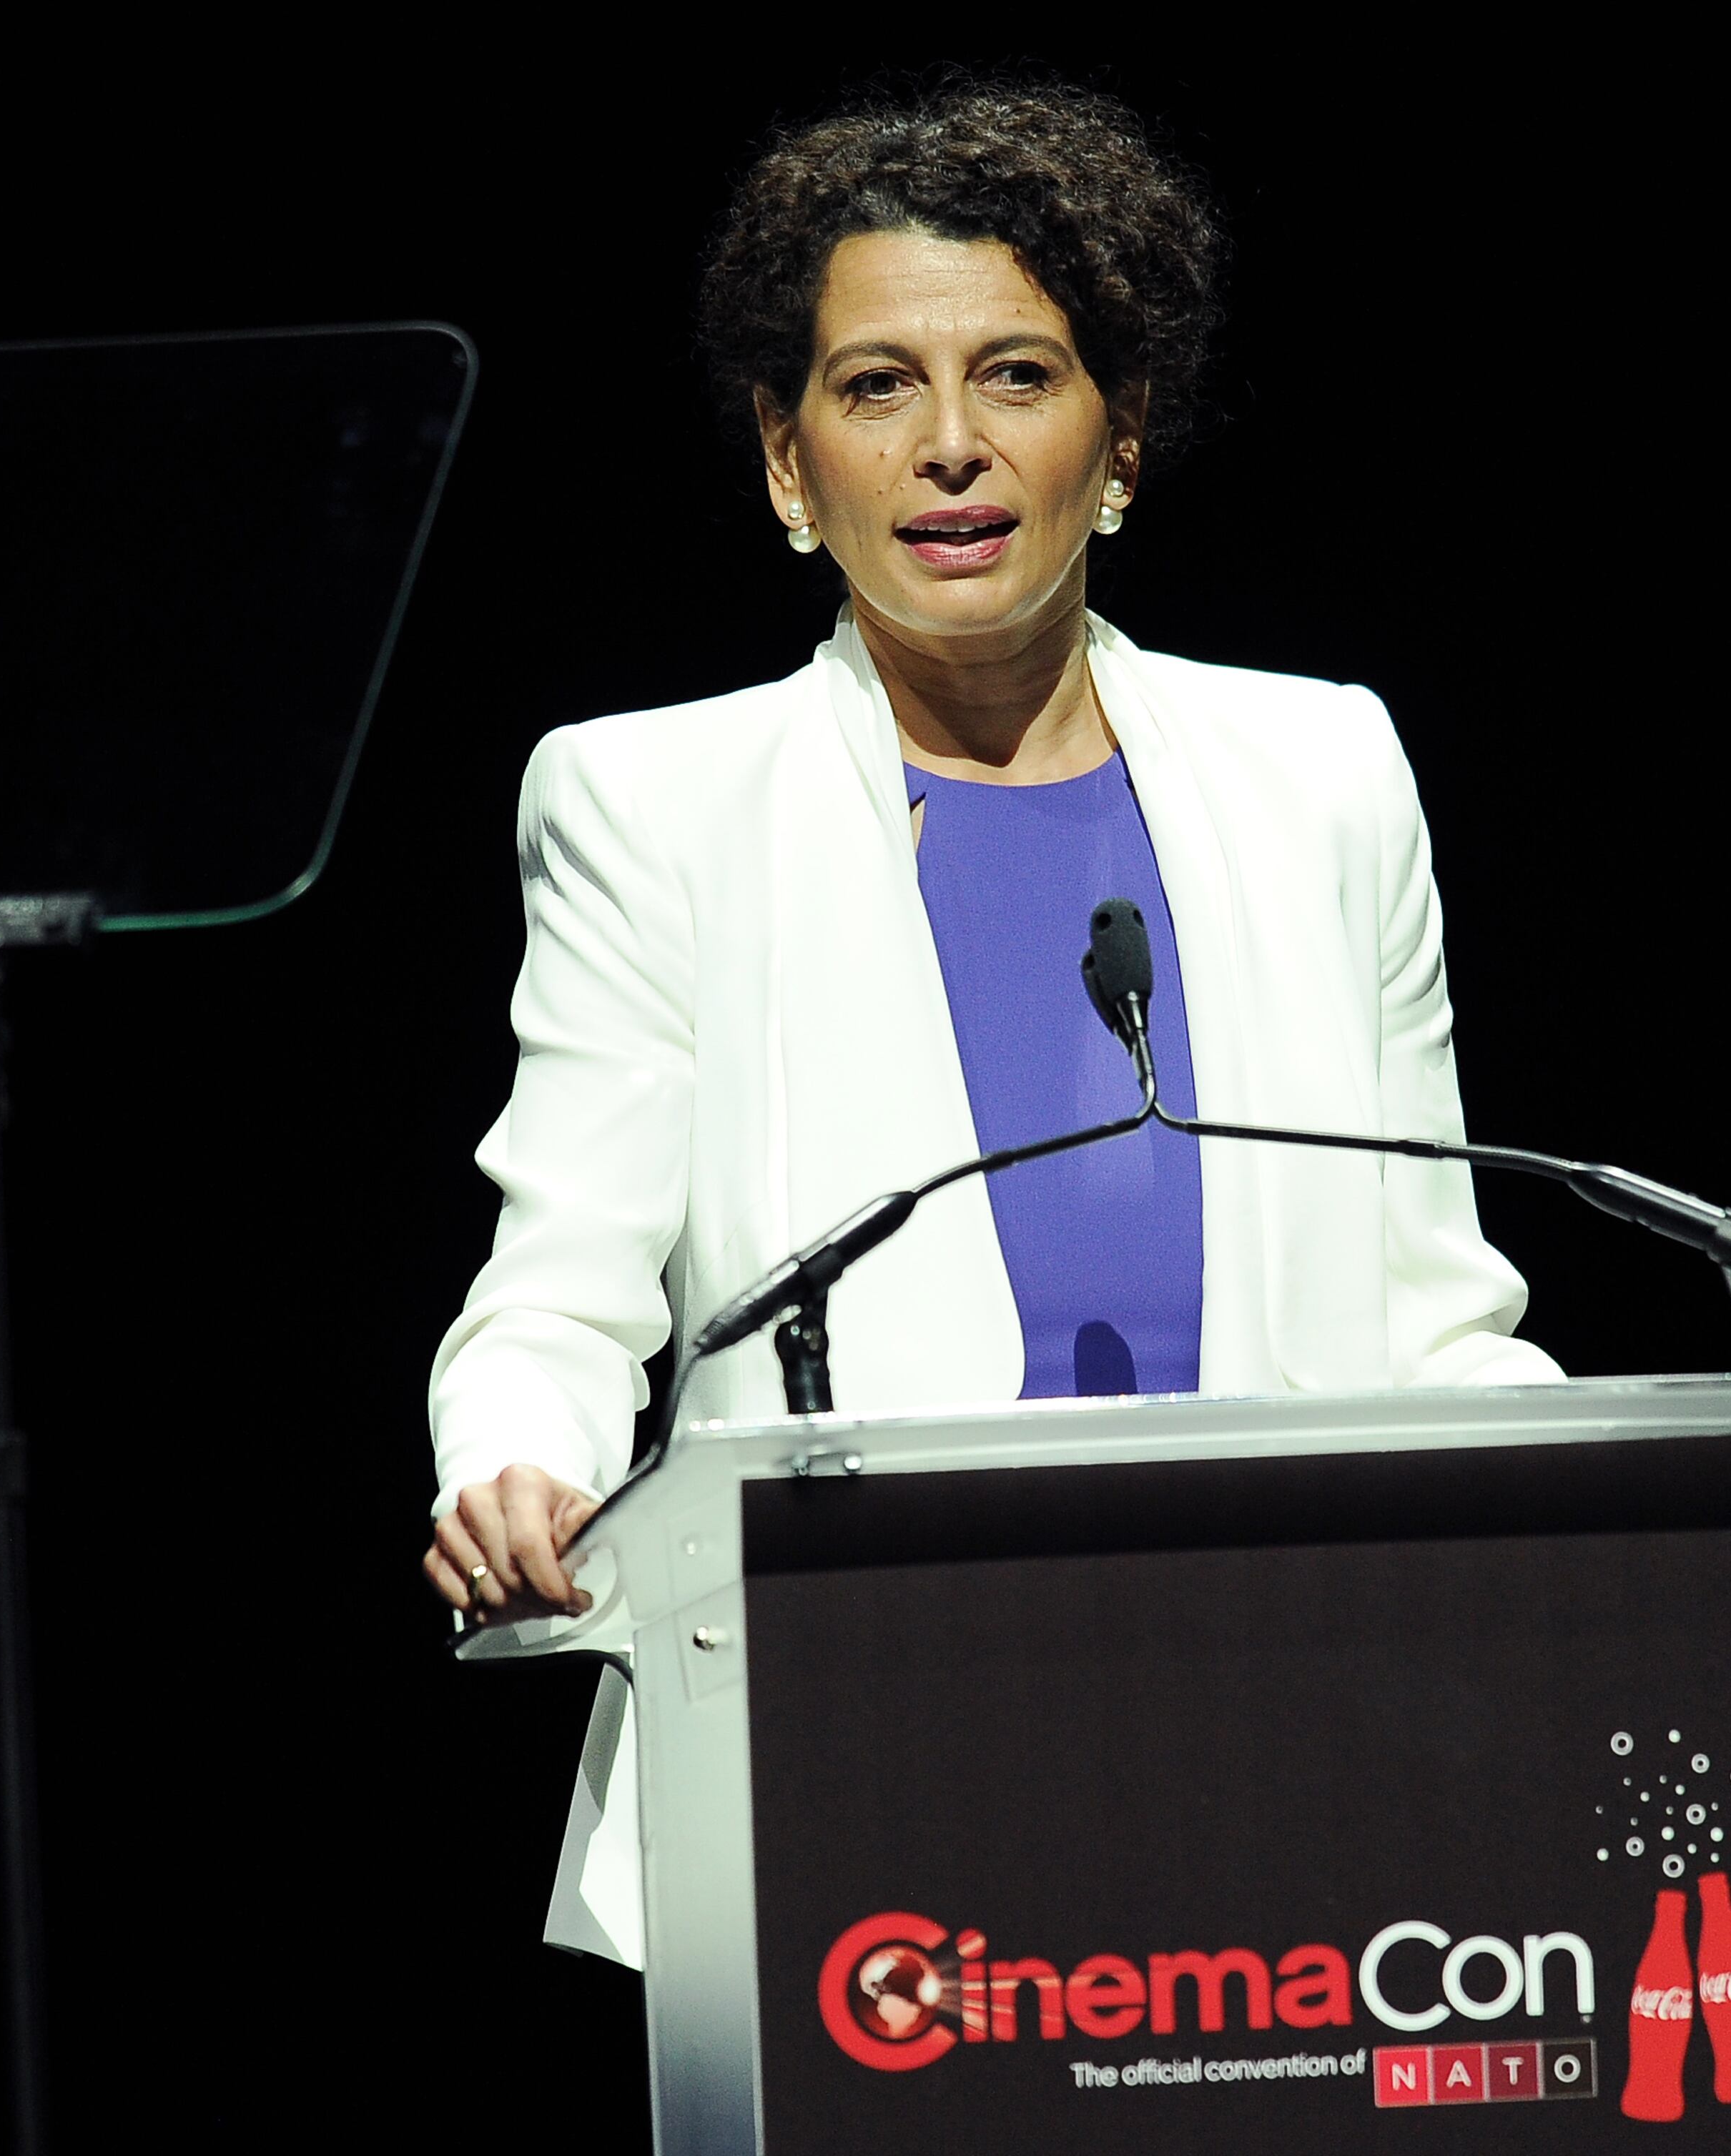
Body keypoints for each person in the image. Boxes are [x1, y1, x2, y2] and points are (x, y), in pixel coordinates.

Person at [423, 81, 1561, 1640]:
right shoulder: (657, 805)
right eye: (877, 387)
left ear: (1121, 434)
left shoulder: (1320, 776)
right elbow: (559, 1292)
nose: (950, 446)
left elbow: (1433, 1311)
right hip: (852, 1672)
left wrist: (1621, 1513)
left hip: (1286, 1663)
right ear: (788, 459)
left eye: (1017, 376)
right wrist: (519, 1467)